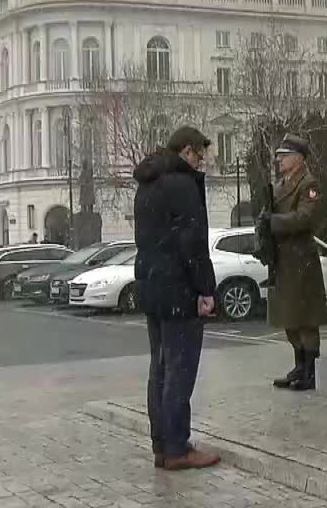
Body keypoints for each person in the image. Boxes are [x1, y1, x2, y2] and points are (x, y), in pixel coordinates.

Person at [132, 126, 220, 471]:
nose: (202, 162)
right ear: (186, 151)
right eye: (199, 155)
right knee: (180, 371)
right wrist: (206, 289)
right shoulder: (181, 185)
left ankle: (161, 445)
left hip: (153, 287)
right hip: (178, 289)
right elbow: (193, 244)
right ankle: (177, 447)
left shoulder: (148, 184)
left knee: (160, 368)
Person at [265, 134, 327, 391]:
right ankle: (299, 366)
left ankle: (310, 370)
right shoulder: (281, 183)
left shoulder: (308, 184)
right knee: (290, 317)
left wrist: (273, 223)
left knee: (305, 317)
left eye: (285, 155)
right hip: (283, 259)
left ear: (299, 159)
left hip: (301, 260)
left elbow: (305, 218)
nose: (279, 159)